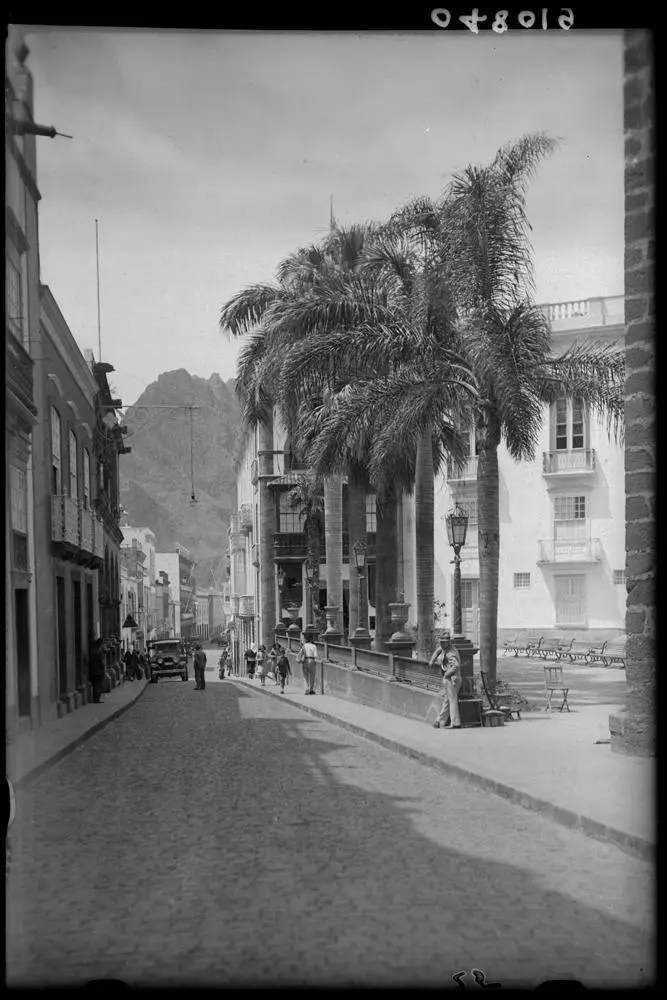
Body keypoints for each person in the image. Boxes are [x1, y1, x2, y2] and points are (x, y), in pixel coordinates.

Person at [430, 631, 462, 729]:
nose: (442, 644)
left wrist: (446, 674)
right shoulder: (445, 648)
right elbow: (438, 651)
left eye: (444, 642)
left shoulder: (450, 653)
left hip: (452, 680)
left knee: (452, 701)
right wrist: (432, 660)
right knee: (447, 701)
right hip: (451, 679)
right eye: (441, 642)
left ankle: (455, 723)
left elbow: (455, 666)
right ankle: (439, 721)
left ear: (448, 642)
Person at [89, 638, 107, 704]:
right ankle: (97, 699)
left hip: (93, 671)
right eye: (103, 644)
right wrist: (103, 670)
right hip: (99, 671)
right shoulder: (99, 652)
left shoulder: (92, 651)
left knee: (95, 685)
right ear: (100, 644)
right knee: (99, 686)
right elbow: (101, 662)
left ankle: (95, 698)